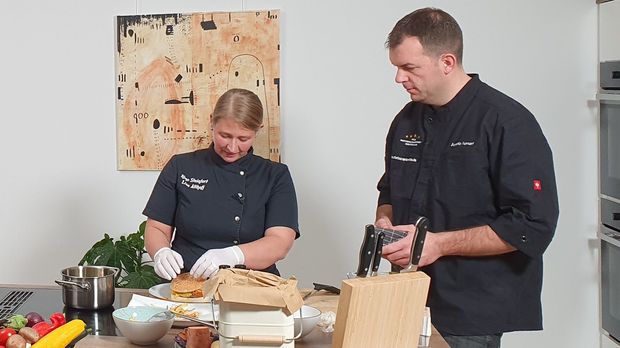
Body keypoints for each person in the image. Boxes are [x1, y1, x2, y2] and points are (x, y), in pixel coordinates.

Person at [375, 8, 559, 348]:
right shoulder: (405, 121)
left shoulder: (508, 123)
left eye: (409, 68)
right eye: (396, 67)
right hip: (407, 297)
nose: (399, 78)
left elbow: (532, 225)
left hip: (472, 311)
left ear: (447, 62)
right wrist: (385, 221)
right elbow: (389, 188)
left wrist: (437, 244)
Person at [143, 88, 299, 281]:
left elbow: (280, 242)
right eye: (224, 135)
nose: (232, 147)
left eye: (243, 139)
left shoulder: (275, 175)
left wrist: (232, 255)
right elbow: (157, 228)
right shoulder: (180, 166)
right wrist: (161, 253)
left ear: (258, 130)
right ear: (212, 122)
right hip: (187, 282)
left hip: (253, 286)